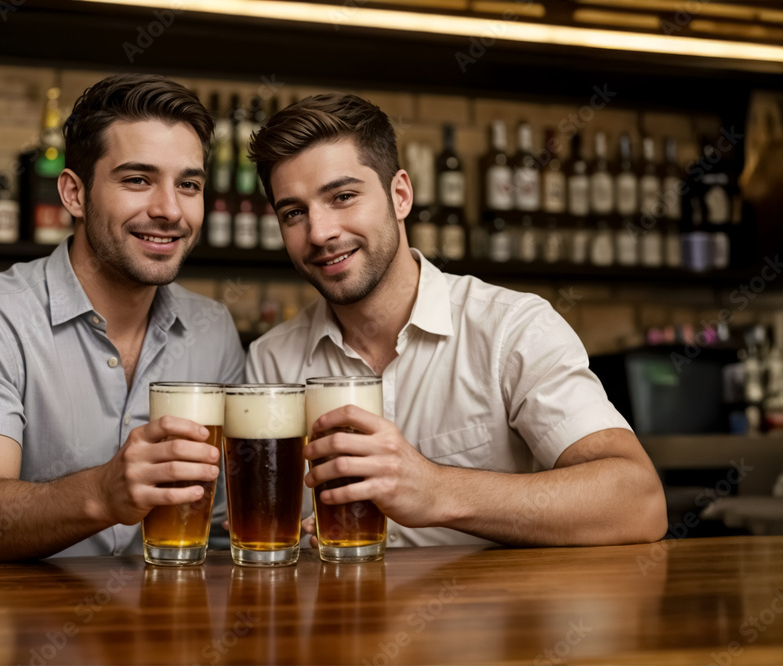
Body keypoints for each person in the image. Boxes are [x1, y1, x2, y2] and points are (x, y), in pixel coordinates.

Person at [246, 93, 667, 547]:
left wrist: (437, 490)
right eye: (294, 213)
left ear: (400, 195)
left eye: (343, 197)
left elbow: (638, 503)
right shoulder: (271, 362)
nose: (320, 232)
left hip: (489, 616)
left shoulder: (511, 329)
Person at [0, 74, 243, 563]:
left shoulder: (213, 329)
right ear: (73, 194)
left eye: (188, 185)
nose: (170, 210)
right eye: (137, 180)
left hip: (143, 632)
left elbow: (215, 525)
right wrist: (106, 493)